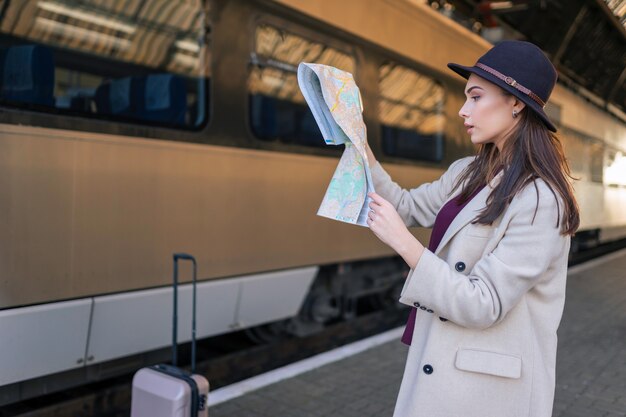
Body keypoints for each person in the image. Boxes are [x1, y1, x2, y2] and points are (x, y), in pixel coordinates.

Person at [364, 40, 579, 417]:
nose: (463, 110)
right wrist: (360, 145)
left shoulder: (542, 198)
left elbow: (486, 304)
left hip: (486, 391)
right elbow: (406, 206)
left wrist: (406, 246)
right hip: (443, 366)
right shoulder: (468, 171)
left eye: (476, 97)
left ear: (516, 102)